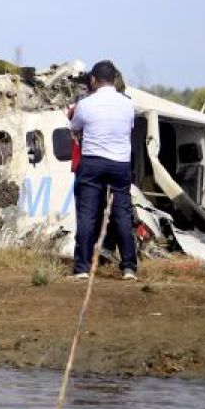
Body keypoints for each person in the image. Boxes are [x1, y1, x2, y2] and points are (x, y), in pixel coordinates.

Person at [69, 60, 138, 281]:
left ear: (93, 80)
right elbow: (129, 127)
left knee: (87, 215)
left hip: (93, 163)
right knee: (122, 215)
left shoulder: (86, 104)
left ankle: (82, 267)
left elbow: (75, 127)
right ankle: (128, 267)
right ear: (115, 79)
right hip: (120, 164)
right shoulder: (128, 104)